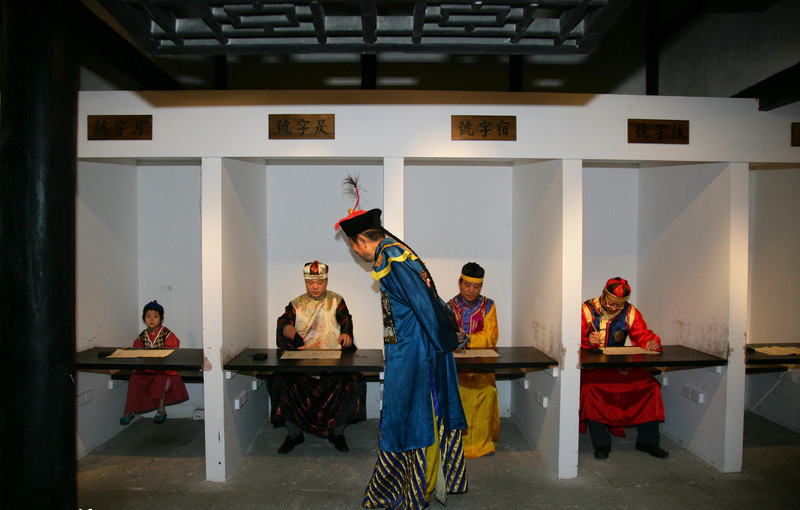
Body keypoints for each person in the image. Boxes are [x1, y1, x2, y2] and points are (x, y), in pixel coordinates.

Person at [335, 178, 468, 509]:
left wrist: (446, 341)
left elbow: (424, 304)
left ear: (364, 239)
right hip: (412, 348)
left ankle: (410, 491)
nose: (354, 250)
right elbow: (430, 298)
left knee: (408, 416)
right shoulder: (395, 250)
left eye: (353, 244)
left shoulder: (391, 259)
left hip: (415, 353)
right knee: (409, 414)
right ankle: (420, 485)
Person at [269, 260, 366, 454]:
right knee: (278, 381)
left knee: (354, 382)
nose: (315, 286)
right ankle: (294, 433)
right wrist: (285, 327)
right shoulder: (296, 304)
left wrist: (346, 333)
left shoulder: (336, 301)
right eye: (311, 283)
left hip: (332, 361)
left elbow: (346, 320)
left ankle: (337, 432)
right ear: (305, 282)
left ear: (326, 281)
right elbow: (284, 320)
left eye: (320, 282)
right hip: (302, 361)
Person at [580, 277, 668, 460]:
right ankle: (601, 442)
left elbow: (642, 334)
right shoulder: (586, 310)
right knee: (591, 390)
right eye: (611, 304)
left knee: (650, 385)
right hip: (594, 366)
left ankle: (648, 441)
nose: (614, 308)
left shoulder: (630, 312)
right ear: (604, 294)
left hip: (620, 364)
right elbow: (569, 336)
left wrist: (650, 342)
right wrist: (586, 341)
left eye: (618, 306)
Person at [447, 262, 500, 458]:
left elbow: (491, 336)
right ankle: (458, 445)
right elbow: (443, 336)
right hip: (457, 368)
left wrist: (468, 337)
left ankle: (483, 443)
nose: (471, 290)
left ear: (481, 287)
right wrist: (454, 339)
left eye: (476, 286)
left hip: (481, 366)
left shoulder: (488, 306)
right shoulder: (449, 307)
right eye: (467, 285)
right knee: (462, 393)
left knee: (487, 392)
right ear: (459, 283)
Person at [120, 300, 189, 425]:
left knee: (160, 377)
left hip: (164, 368)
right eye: (148, 316)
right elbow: (137, 351)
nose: (151, 320)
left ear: (161, 319)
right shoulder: (143, 336)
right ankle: (128, 410)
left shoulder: (166, 334)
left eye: (155, 317)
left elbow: (172, 350)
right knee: (135, 378)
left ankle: (161, 409)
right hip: (148, 369)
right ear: (144, 319)